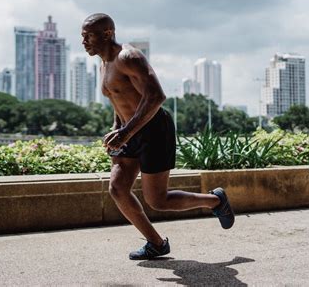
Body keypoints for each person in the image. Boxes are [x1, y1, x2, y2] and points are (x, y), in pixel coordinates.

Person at [81, 13, 235, 260]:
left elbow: (156, 96)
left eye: (88, 36)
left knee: (158, 200)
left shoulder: (128, 57)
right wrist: (116, 131)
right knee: (118, 189)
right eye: (82, 36)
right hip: (129, 130)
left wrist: (125, 132)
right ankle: (156, 243)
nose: (84, 41)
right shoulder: (103, 62)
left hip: (153, 129)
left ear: (107, 34)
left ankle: (215, 201)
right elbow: (119, 101)